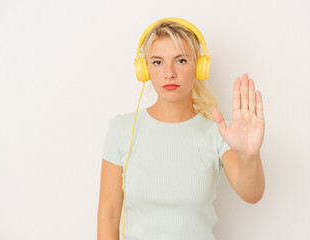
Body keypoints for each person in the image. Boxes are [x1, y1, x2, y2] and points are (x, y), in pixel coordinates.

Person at [97, 18, 266, 240]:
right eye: (157, 62)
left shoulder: (217, 132)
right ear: (144, 69)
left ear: (200, 67)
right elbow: (108, 216)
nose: (169, 73)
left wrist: (249, 155)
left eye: (181, 60)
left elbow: (252, 194)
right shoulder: (121, 129)